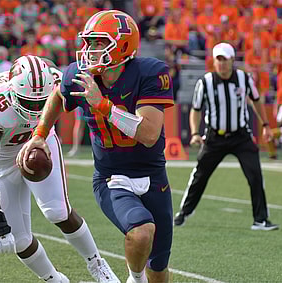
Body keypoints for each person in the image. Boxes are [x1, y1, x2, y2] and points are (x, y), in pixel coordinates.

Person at [17, 10, 175, 283]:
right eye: (89, 42)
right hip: (112, 178)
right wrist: (40, 133)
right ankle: (134, 280)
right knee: (141, 232)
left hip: (153, 176)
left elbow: (149, 134)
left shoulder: (150, 73)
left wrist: (102, 105)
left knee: (159, 267)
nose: (90, 50)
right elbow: (57, 96)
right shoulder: (79, 74)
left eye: (100, 43)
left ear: (123, 45)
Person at [0, 55, 119, 283]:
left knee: (57, 211)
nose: (36, 108)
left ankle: (97, 264)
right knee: (18, 240)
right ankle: (53, 279)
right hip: (3, 160)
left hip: (41, 141)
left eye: (42, 103)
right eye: (29, 102)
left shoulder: (58, 79)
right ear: (11, 93)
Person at [173, 42, 279, 231]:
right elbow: (196, 110)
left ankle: (261, 220)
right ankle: (184, 212)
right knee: (200, 175)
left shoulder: (244, 78)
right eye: (218, 60)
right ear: (214, 61)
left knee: (255, 174)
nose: (221, 64)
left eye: (225, 60)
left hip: (241, 136)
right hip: (215, 137)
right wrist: (195, 132)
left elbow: (256, 100)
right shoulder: (205, 82)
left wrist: (265, 125)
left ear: (232, 60)